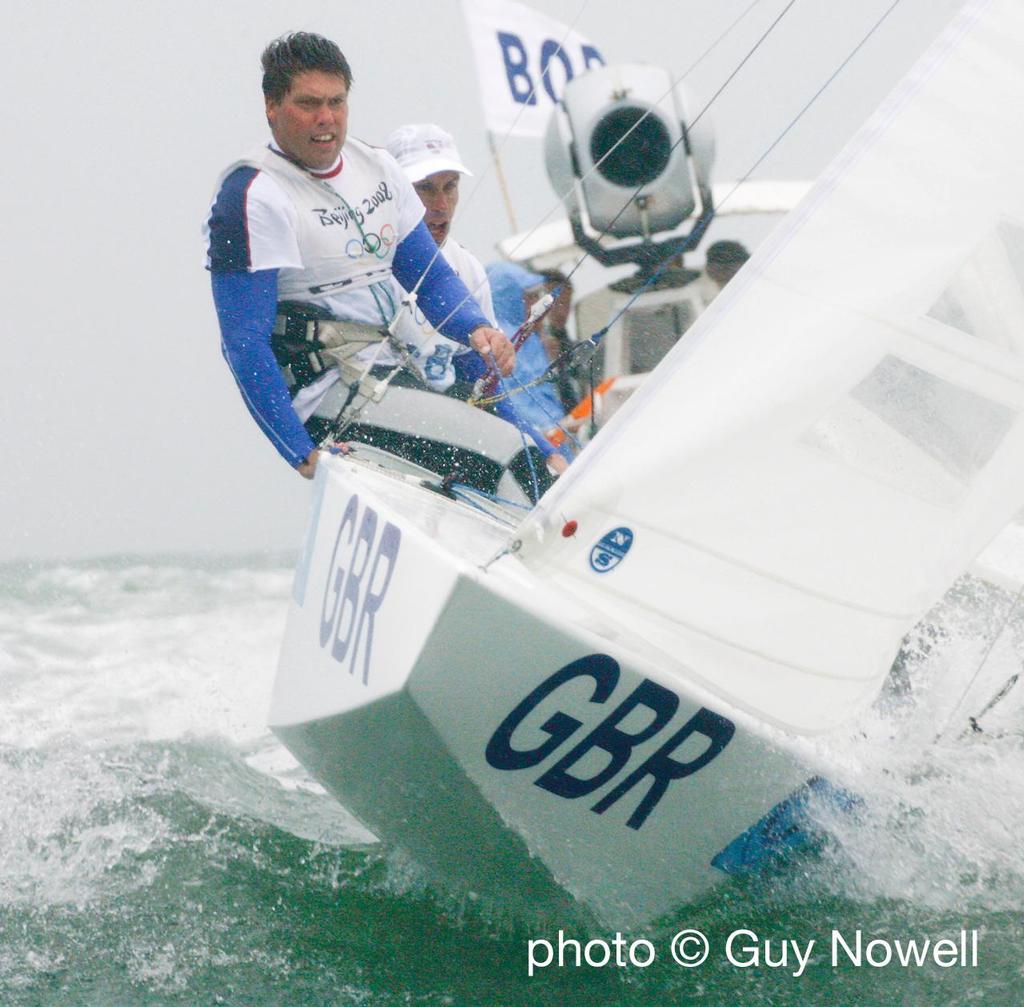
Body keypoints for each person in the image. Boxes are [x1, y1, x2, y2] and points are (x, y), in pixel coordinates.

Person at [204, 33, 514, 479]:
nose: (326, 119)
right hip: (327, 399)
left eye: (337, 102)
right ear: (272, 106)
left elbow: (428, 277)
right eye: (308, 104)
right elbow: (242, 343)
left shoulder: (377, 168)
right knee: (505, 454)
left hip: (390, 381)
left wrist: (478, 329)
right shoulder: (253, 196)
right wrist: (298, 452)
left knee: (502, 441)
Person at [382, 123, 496, 396]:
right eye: (425, 188)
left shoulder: (468, 267)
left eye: (450, 187)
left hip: (441, 417)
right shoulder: (371, 264)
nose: (441, 204)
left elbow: (481, 381)